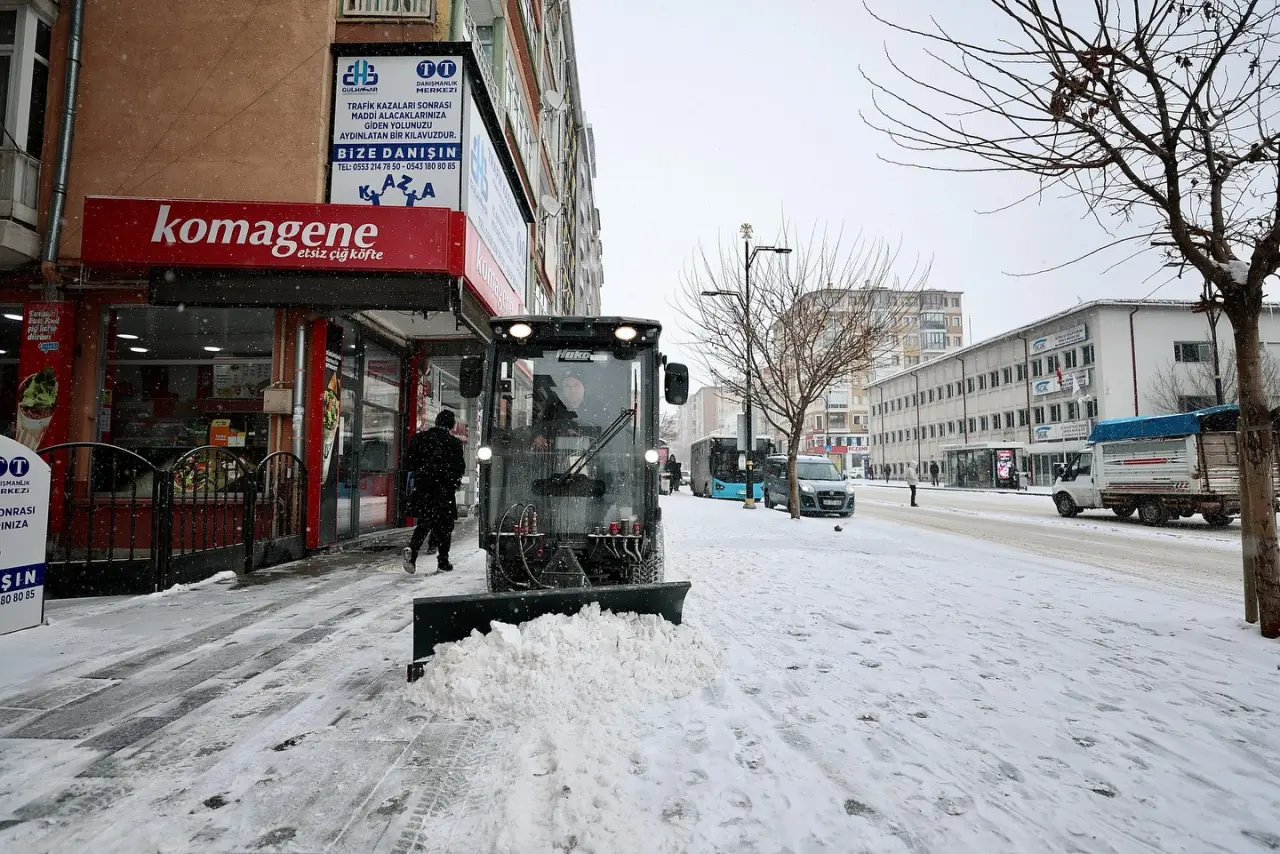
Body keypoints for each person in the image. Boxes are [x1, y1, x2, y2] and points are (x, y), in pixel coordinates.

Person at [402, 410, 466, 574]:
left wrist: (423, 474)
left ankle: (413, 551)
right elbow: (460, 468)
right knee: (445, 527)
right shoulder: (454, 444)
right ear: (451, 425)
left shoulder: (419, 439)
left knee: (424, 523)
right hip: (444, 491)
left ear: (436, 421)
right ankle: (443, 562)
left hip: (423, 489)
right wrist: (452, 482)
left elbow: (409, 463)